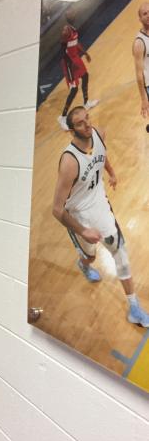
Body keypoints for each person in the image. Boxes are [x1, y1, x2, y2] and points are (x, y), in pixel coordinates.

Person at [52, 106, 149, 327]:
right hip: (78, 215)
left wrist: (112, 173)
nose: (87, 125)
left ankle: (133, 307)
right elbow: (57, 209)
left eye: (87, 118)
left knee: (120, 251)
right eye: (80, 123)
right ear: (70, 130)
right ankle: (83, 263)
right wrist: (83, 230)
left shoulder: (98, 133)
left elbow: (101, 155)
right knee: (91, 257)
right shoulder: (69, 162)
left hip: (100, 206)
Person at [57, 22, 99, 131]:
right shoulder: (65, 32)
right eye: (71, 11)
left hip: (76, 58)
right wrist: (71, 65)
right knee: (74, 89)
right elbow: (63, 53)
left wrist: (85, 53)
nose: (74, 11)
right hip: (69, 64)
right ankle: (63, 117)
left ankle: (86, 103)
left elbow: (76, 43)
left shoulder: (73, 29)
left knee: (85, 76)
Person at [133, 2, 149, 118]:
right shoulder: (139, 42)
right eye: (145, 14)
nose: (148, 15)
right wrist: (144, 99)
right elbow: (139, 75)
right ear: (140, 18)